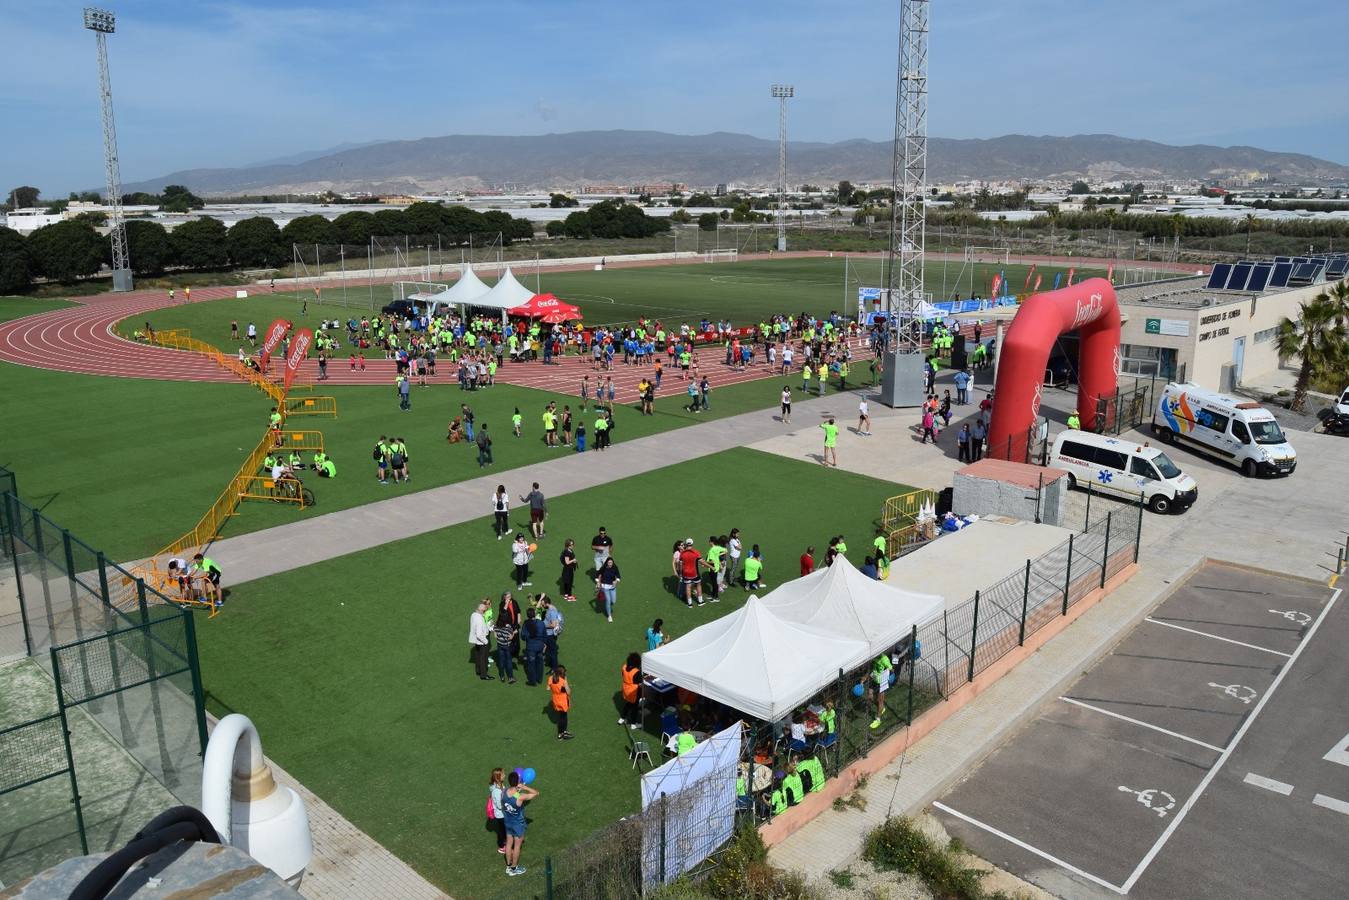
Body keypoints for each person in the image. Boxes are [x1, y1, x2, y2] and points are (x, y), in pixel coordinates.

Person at [501, 771, 538, 876]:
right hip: (517, 824)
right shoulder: (520, 796)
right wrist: (524, 787)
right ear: (518, 781)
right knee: (517, 846)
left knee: (508, 843)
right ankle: (514, 868)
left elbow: (510, 795)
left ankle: (508, 866)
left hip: (507, 821)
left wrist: (517, 789)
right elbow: (536, 793)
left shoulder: (503, 792)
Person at [522, 607, 546, 686]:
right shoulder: (541, 623)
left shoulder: (526, 623)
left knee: (531, 664)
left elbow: (523, 636)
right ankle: (539, 679)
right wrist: (544, 643)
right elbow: (544, 634)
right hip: (540, 646)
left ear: (527, 615)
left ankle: (532, 681)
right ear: (534, 614)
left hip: (531, 647)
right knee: (540, 662)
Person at [470, 598, 492, 680]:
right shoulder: (479, 619)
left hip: (476, 641)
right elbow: (479, 634)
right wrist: (486, 641)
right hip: (482, 641)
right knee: (484, 658)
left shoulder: (474, 615)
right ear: (482, 610)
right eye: (484, 610)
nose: (485, 611)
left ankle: (478, 670)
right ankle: (484, 675)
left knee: (478, 656)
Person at [677, 538, 704, 607]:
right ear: (692, 544)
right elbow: (701, 561)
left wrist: (680, 573)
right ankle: (700, 601)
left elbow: (680, 565)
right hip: (695, 573)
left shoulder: (682, 553)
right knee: (698, 585)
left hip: (686, 573)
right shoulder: (696, 552)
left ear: (686, 544)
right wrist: (710, 566)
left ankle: (690, 603)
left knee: (688, 587)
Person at [870, 651, 893, 729]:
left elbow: (891, 668)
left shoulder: (884, 659)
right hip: (874, 678)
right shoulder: (873, 655)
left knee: (880, 700)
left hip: (882, 681)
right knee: (870, 696)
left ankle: (878, 719)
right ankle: (881, 708)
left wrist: (890, 676)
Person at [549, 665, 573, 740]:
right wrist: (566, 683)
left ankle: (562, 733)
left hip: (556, 700)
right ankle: (562, 733)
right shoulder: (563, 681)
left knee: (561, 717)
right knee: (563, 717)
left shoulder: (551, 678)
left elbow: (548, 688)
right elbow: (569, 692)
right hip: (563, 701)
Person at [493, 612, 517, 685]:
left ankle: (502, 676)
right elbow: (510, 637)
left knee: (501, 661)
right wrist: (514, 632)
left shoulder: (496, 626)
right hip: (507, 646)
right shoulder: (508, 628)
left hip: (500, 645)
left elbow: (495, 636)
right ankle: (510, 677)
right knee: (509, 661)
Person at [488, 768, 507, 852]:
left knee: (503, 829)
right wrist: (509, 804)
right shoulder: (496, 791)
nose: (505, 775)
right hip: (500, 814)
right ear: (498, 777)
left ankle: (505, 841)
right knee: (501, 830)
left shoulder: (501, 785)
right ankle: (501, 846)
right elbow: (499, 805)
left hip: (503, 813)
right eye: (503, 774)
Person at [619, 652, 641, 727]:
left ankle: (622, 717)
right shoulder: (636, 672)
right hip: (634, 691)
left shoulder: (624, 667)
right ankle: (633, 724)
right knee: (634, 707)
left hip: (626, 689)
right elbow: (639, 681)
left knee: (628, 703)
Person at [596, 556, 621, 622]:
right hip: (605, 587)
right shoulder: (603, 568)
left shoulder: (615, 568)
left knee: (613, 601)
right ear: (607, 563)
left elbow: (618, 576)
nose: (610, 564)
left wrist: (616, 581)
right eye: (609, 562)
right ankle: (609, 616)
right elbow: (598, 574)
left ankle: (608, 605)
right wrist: (598, 582)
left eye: (611, 562)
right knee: (608, 601)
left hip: (612, 587)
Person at [542, 596, 563, 669]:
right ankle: (552, 665)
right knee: (550, 651)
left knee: (552, 652)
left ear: (546, 603)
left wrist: (543, 626)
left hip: (550, 635)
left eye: (543, 604)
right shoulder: (551, 608)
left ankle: (554, 668)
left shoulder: (552, 611)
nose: (542, 605)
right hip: (549, 634)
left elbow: (553, 625)